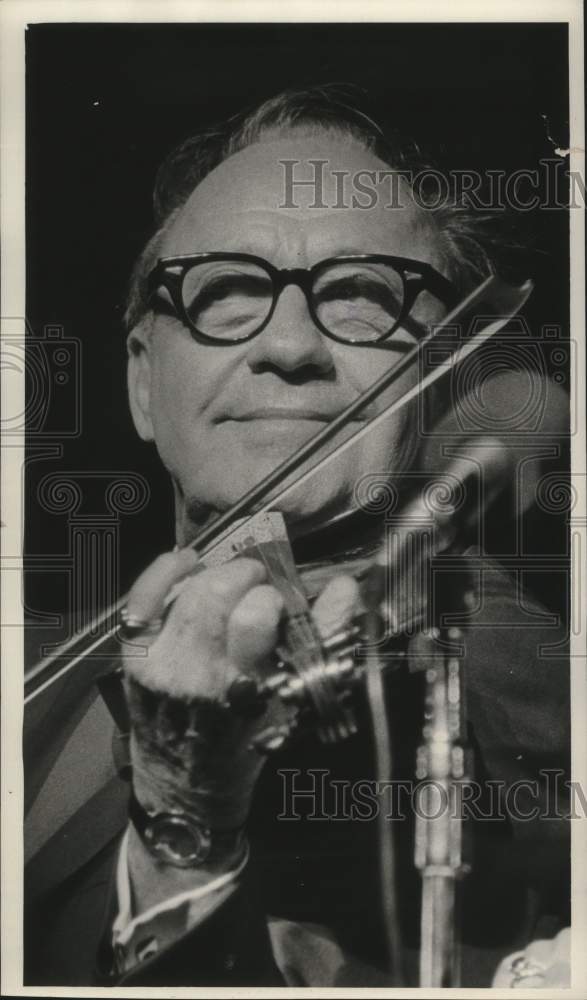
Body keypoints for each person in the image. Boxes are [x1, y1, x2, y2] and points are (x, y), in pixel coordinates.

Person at [24, 86, 570, 988]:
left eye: (362, 296)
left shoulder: (523, 687)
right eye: (228, 291)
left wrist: (186, 831)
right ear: (142, 386)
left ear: (438, 379)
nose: (289, 343)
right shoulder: (33, 676)